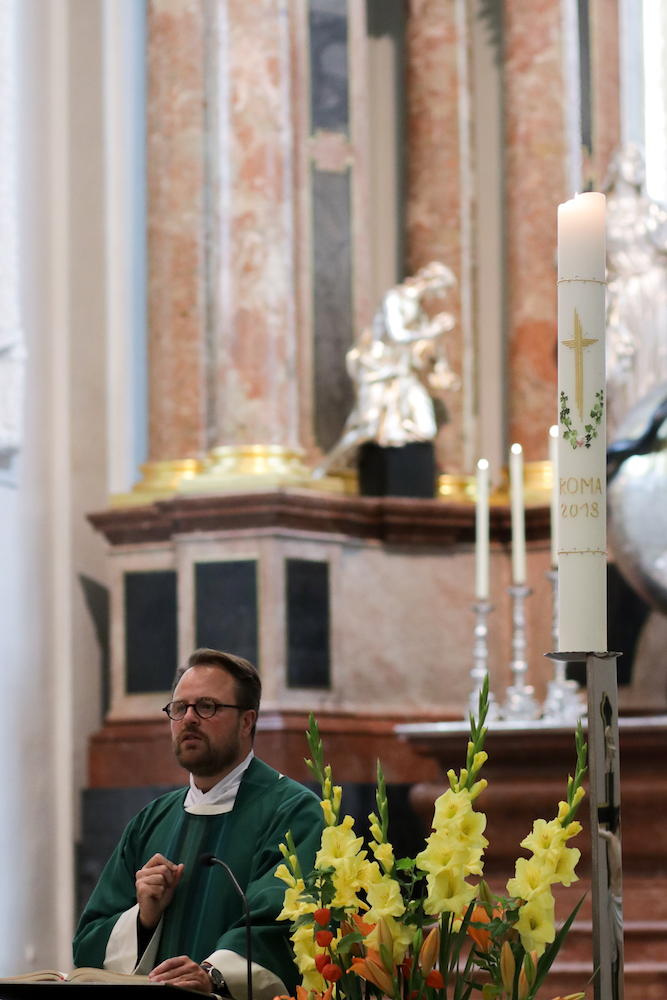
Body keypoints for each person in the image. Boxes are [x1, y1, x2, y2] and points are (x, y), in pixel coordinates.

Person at [73, 649, 324, 999]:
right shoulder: (151, 822)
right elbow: (87, 945)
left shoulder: (294, 812)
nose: (189, 719)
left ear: (247, 721)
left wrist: (215, 975)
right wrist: (143, 920)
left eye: (207, 706)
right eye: (179, 708)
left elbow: (288, 927)